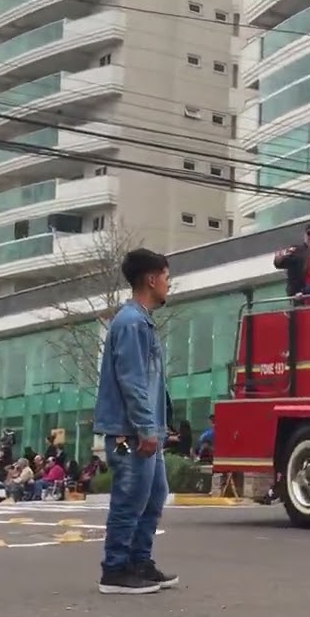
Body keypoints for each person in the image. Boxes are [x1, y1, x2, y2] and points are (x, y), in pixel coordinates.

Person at [92, 248, 179, 595]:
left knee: (154, 495)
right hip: (130, 433)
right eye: (167, 278)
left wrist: (160, 424)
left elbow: (149, 382)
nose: (169, 285)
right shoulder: (130, 323)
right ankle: (114, 570)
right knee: (130, 497)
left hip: (146, 429)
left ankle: (139, 561)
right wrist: (145, 427)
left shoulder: (141, 320)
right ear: (152, 279)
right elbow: (133, 380)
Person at [273, 224, 310, 296]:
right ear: (305, 235)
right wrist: (278, 260)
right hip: (298, 294)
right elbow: (281, 263)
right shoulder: (296, 250)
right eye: (309, 234)